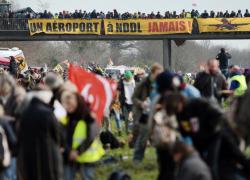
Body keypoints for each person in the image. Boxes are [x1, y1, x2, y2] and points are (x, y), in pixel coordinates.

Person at [17, 89, 63, 180]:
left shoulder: (25, 113)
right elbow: (57, 134)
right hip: (49, 152)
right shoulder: (48, 113)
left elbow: (20, 134)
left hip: (29, 153)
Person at [60, 91, 104, 180]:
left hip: (87, 157)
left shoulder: (89, 117)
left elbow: (91, 136)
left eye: (70, 103)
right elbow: (61, 137)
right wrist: (68, 152)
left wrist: (77, 152)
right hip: (69, 157)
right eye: (65, 104)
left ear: (78, 102)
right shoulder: (65, 119)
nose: (67, 107)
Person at [132, 63, 163, 162]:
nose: (159, 77)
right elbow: (134, 97)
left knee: (160, 137)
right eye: (157, 75)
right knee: (143, 137)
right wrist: (141, 104)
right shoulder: (143, 83)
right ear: (152, 73)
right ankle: (137, 159)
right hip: (144, 113)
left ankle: (160, 160)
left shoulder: (161, 83)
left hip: (157, 113)